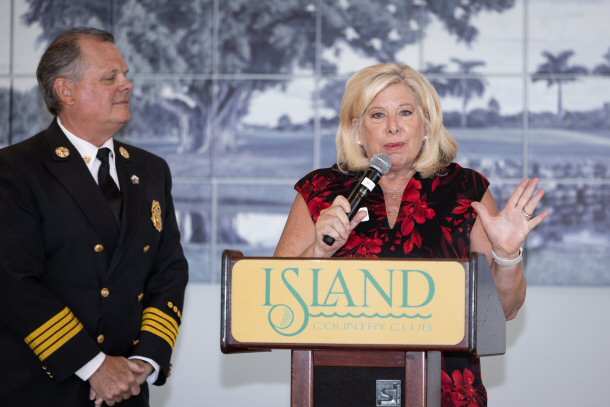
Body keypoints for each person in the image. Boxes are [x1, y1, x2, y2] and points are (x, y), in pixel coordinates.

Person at [274, 63, 549, 406]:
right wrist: (319, 250)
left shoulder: (466, 189)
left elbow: (504, 310)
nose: (393, 126)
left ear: (427, 125)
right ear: (356, 130)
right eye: (377, 115)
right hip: (341, 385)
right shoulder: (320, 190)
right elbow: (276, 297)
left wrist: (506, 256)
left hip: (443, 388)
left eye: (405, 112)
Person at [0, 27, 188, 407]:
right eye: (109, 77)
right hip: (42, 387)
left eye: (125, 74)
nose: (127, 84)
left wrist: (146, 358)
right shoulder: (16, 170)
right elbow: (13, 282)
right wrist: (93, 365)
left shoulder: (151, 170)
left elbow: (168, 270)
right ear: (66, 91)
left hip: (127, 388)